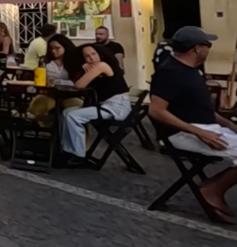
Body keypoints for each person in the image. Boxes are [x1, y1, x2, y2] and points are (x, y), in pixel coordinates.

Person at [149, 27, 237, 221]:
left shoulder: (192, 72)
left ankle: (213, 186)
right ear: (197, 48)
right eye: (208, 44)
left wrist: (229, 124)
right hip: (181, 134)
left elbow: (201, 109)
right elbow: (156, 110)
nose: (210, 48)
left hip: (205, 128)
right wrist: (199, 133)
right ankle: (213, 189)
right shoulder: (170, 72)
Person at [60, 43, 133, 165]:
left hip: (116, 106)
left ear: (100, 54)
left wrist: (86, 70)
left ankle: (78, 154)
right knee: (67, 112)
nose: (91, 58)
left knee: (73, 116)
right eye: (87, 56)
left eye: (93, 54)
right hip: (105, 105)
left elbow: (79, 85)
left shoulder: (102, 66)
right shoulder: (94, 68)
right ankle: (68, 150)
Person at [29, 34, 85, 117]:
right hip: (50, 94)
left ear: (65, 47)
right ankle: (45, 127)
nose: (54, 51)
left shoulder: (75, 62)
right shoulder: (46, 62)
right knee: (37, 106)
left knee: (77, 107)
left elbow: (77, 82)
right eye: (51, 48)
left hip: (70, 95)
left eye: (57, 48)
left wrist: (55, 82)